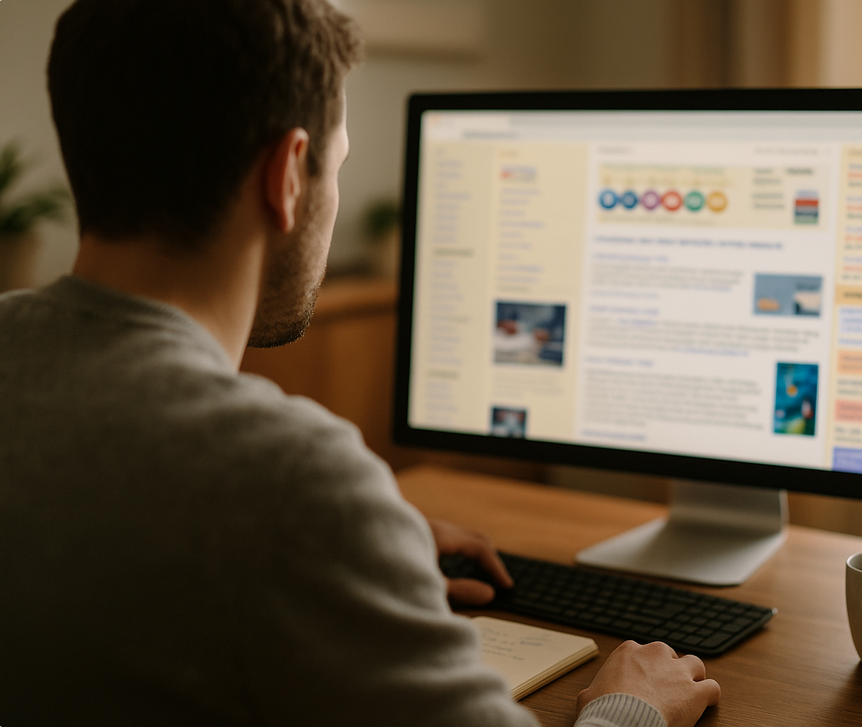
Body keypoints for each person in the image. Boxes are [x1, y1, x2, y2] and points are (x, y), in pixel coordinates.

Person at [0, 1, 721, 725]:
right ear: (287, 175)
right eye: (335, 163)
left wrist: (362, 557)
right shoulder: (289, 482)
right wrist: (632, 704)